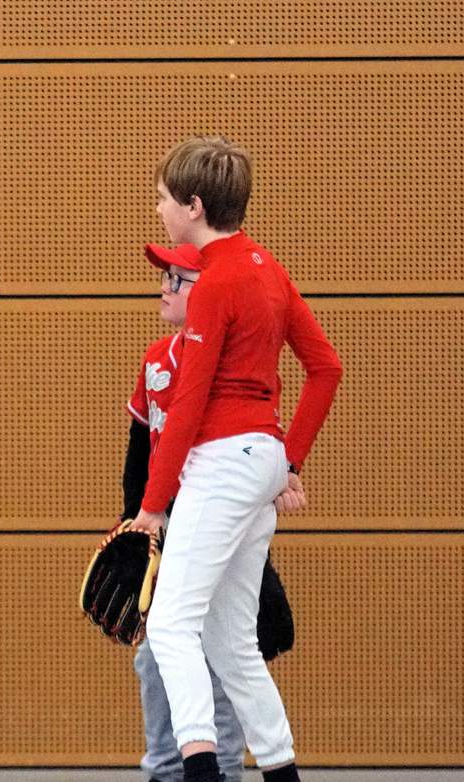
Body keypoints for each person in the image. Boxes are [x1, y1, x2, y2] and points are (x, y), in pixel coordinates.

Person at [129, 136, 342, 782]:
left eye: (164, 201)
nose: (160, 212)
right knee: (230, 643)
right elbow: (326, 368)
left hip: (221, 461)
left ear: (194, 207)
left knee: (169, 627)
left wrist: (151, 505)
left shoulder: (217, 281)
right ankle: (280, 770)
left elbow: (189, 407)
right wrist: (290, 459)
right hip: (261, 456)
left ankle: (198, 771)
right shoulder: (267, 268)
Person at [121, 243, 248, 782]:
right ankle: (166, 770)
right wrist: (134, 527)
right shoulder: (155, 359)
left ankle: (223, 769)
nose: (165, 289)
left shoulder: (231, 362)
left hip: (214, 523)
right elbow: (139, 449)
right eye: (165, 279)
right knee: (155, 660)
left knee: (219, 655)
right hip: (164, 528)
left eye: (179, 280)